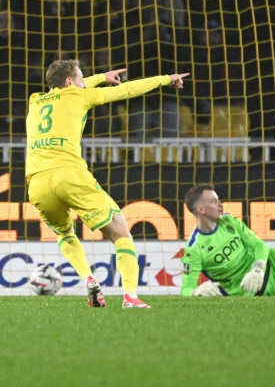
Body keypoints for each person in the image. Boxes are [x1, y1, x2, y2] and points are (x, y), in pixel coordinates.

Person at [25, 59, 189, 308]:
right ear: (71, 82)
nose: (84, 82)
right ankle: (130, 296)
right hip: (70, 175)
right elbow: (127, 90)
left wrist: (101, 76)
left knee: (64, 233)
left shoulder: (35, 100)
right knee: (120, 233)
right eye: (81, 77)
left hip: (36, 182)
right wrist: (165, 79)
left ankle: (88, 278)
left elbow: (65, 87)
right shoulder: (81, 97)